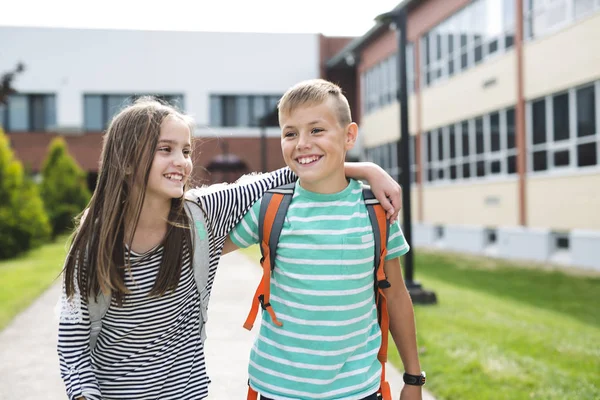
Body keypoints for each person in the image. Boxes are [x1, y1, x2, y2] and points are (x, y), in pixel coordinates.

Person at [57, 97, 403, 400]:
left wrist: (366, 169)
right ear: (128, 159)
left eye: (186, 150)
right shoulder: (95, 241)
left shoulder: (202, 213)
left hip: (186, 392)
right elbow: (73, 343)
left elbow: (280, 176)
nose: (182, 161)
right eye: (166, 149)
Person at [227, 79, 423, 400]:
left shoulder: (376, 211)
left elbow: (397, 298)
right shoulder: (272, 207)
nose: (302, 143)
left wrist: (413, 379)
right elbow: (205, 247)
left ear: (349, 135)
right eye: (290, 133)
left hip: (357, 389)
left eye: (316, 130)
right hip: (276, 389)